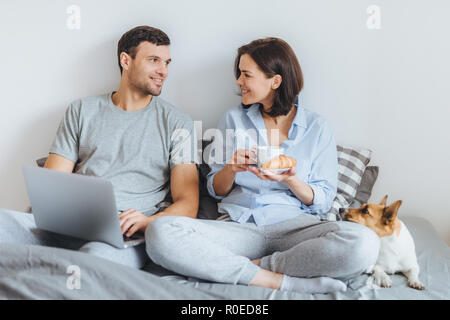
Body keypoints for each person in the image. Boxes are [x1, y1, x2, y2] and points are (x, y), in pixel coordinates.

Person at [145, 37, 380, 294]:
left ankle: (251, 268)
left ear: (275, 81)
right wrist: (230, 169)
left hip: (296, 228)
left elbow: (323, 201)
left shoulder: (317, 127)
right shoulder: (233, 119)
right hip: (239, 226)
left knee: (363, 243)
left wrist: (291, 179)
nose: (238, 82)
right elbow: (215, 189)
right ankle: (280, 280)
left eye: (246, 75)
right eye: (239, 74)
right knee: (160, 231)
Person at [0, 26, 199, 269]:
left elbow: (188, 202)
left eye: (167, 62)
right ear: (126, 60)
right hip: (72, 222)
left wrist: (149, 221)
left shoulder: (178, 123)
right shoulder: (82, 110)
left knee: (90, 265)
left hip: (122, 234)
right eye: (154, 60)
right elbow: (51, 183)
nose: (163, 71)